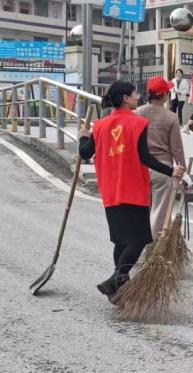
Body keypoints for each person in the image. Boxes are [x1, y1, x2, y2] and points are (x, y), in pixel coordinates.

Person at [79, 80, 186, 302]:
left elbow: (84, 154)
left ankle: (117, 289)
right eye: (134, 93)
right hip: (133, 189)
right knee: (137, 240)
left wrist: (83, 136)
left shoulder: (99, 126)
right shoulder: (138, 123)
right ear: (126, 98)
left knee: (121, 241)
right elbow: (144, 158)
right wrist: (171, 170)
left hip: (110, 191)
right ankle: (117, 278)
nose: (138, 95)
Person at [136, 76, 188, 238]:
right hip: (163, 170)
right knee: (159, 212)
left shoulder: (137, 114)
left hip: (140, 168)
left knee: (142, 211)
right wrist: (183, 172)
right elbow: (177, 148)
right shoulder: (171, 117)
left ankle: (138, 247)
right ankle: (152, 250)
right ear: (165, 95)